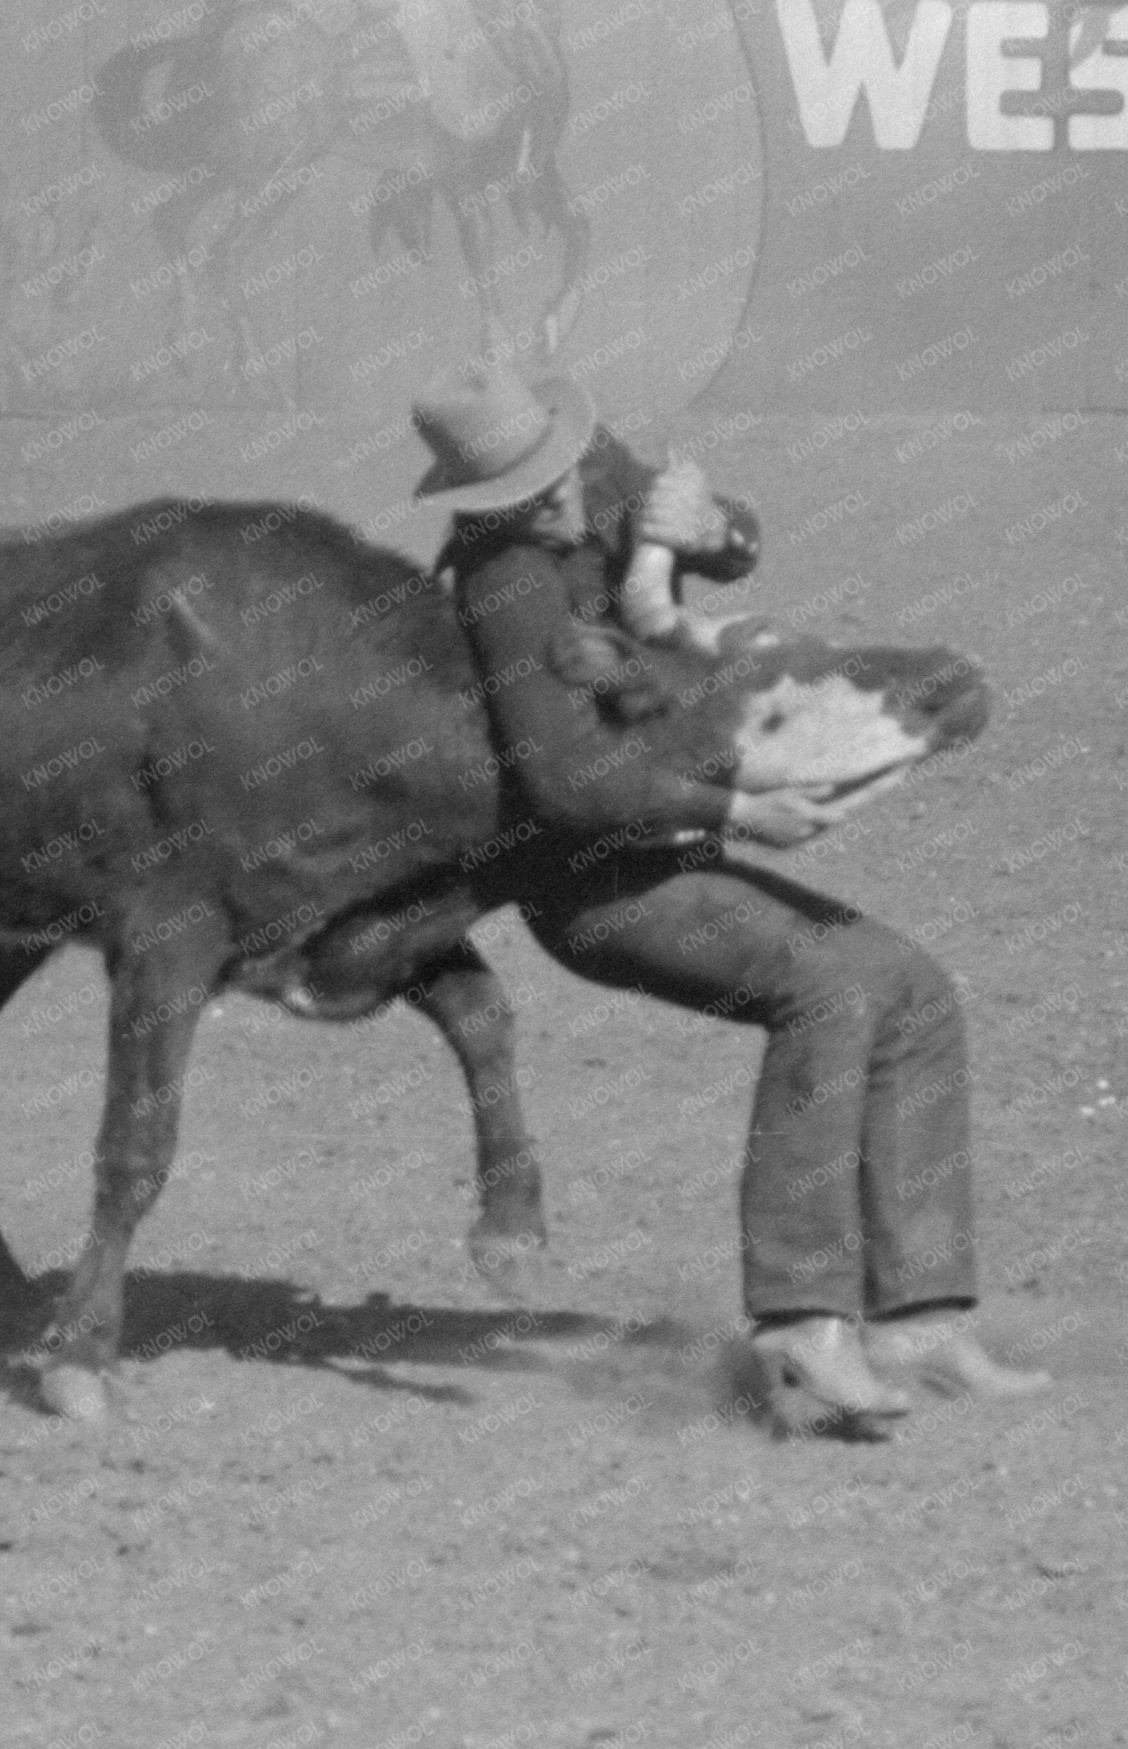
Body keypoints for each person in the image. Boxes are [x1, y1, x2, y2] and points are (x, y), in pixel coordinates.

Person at [408, 359, 1048, 1437]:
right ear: (489, 506)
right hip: (596, 886)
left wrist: (717, 529)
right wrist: (736, 810)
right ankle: (801, 1326)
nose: (565, 503)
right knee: (837, 988)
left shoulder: (600, 473)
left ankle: (921, 1316)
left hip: (672, 843)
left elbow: (726, 536)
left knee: (918, 991)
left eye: (561, 475)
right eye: (529, 496)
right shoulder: (503, 583)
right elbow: (568, 784)